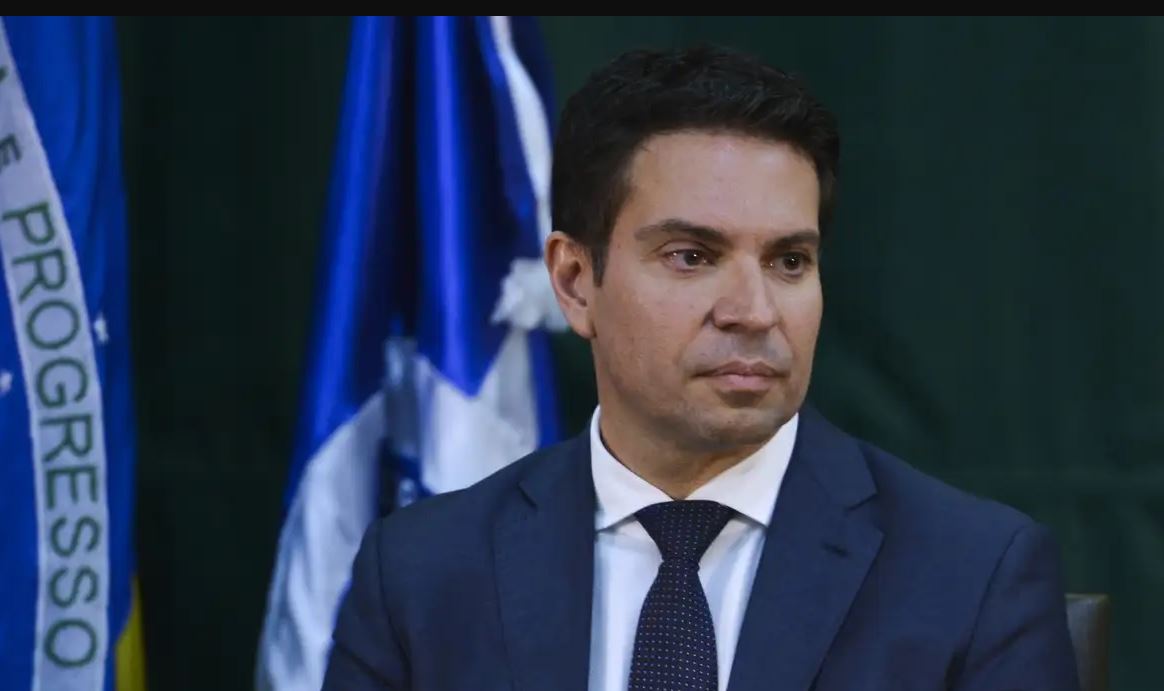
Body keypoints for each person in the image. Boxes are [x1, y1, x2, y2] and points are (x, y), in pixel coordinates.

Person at [321, 44, 1080, 691]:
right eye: (692, 256)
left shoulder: (974, 575)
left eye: (789, 261)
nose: (753, 310)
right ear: (576, 282)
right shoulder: (420, 573)